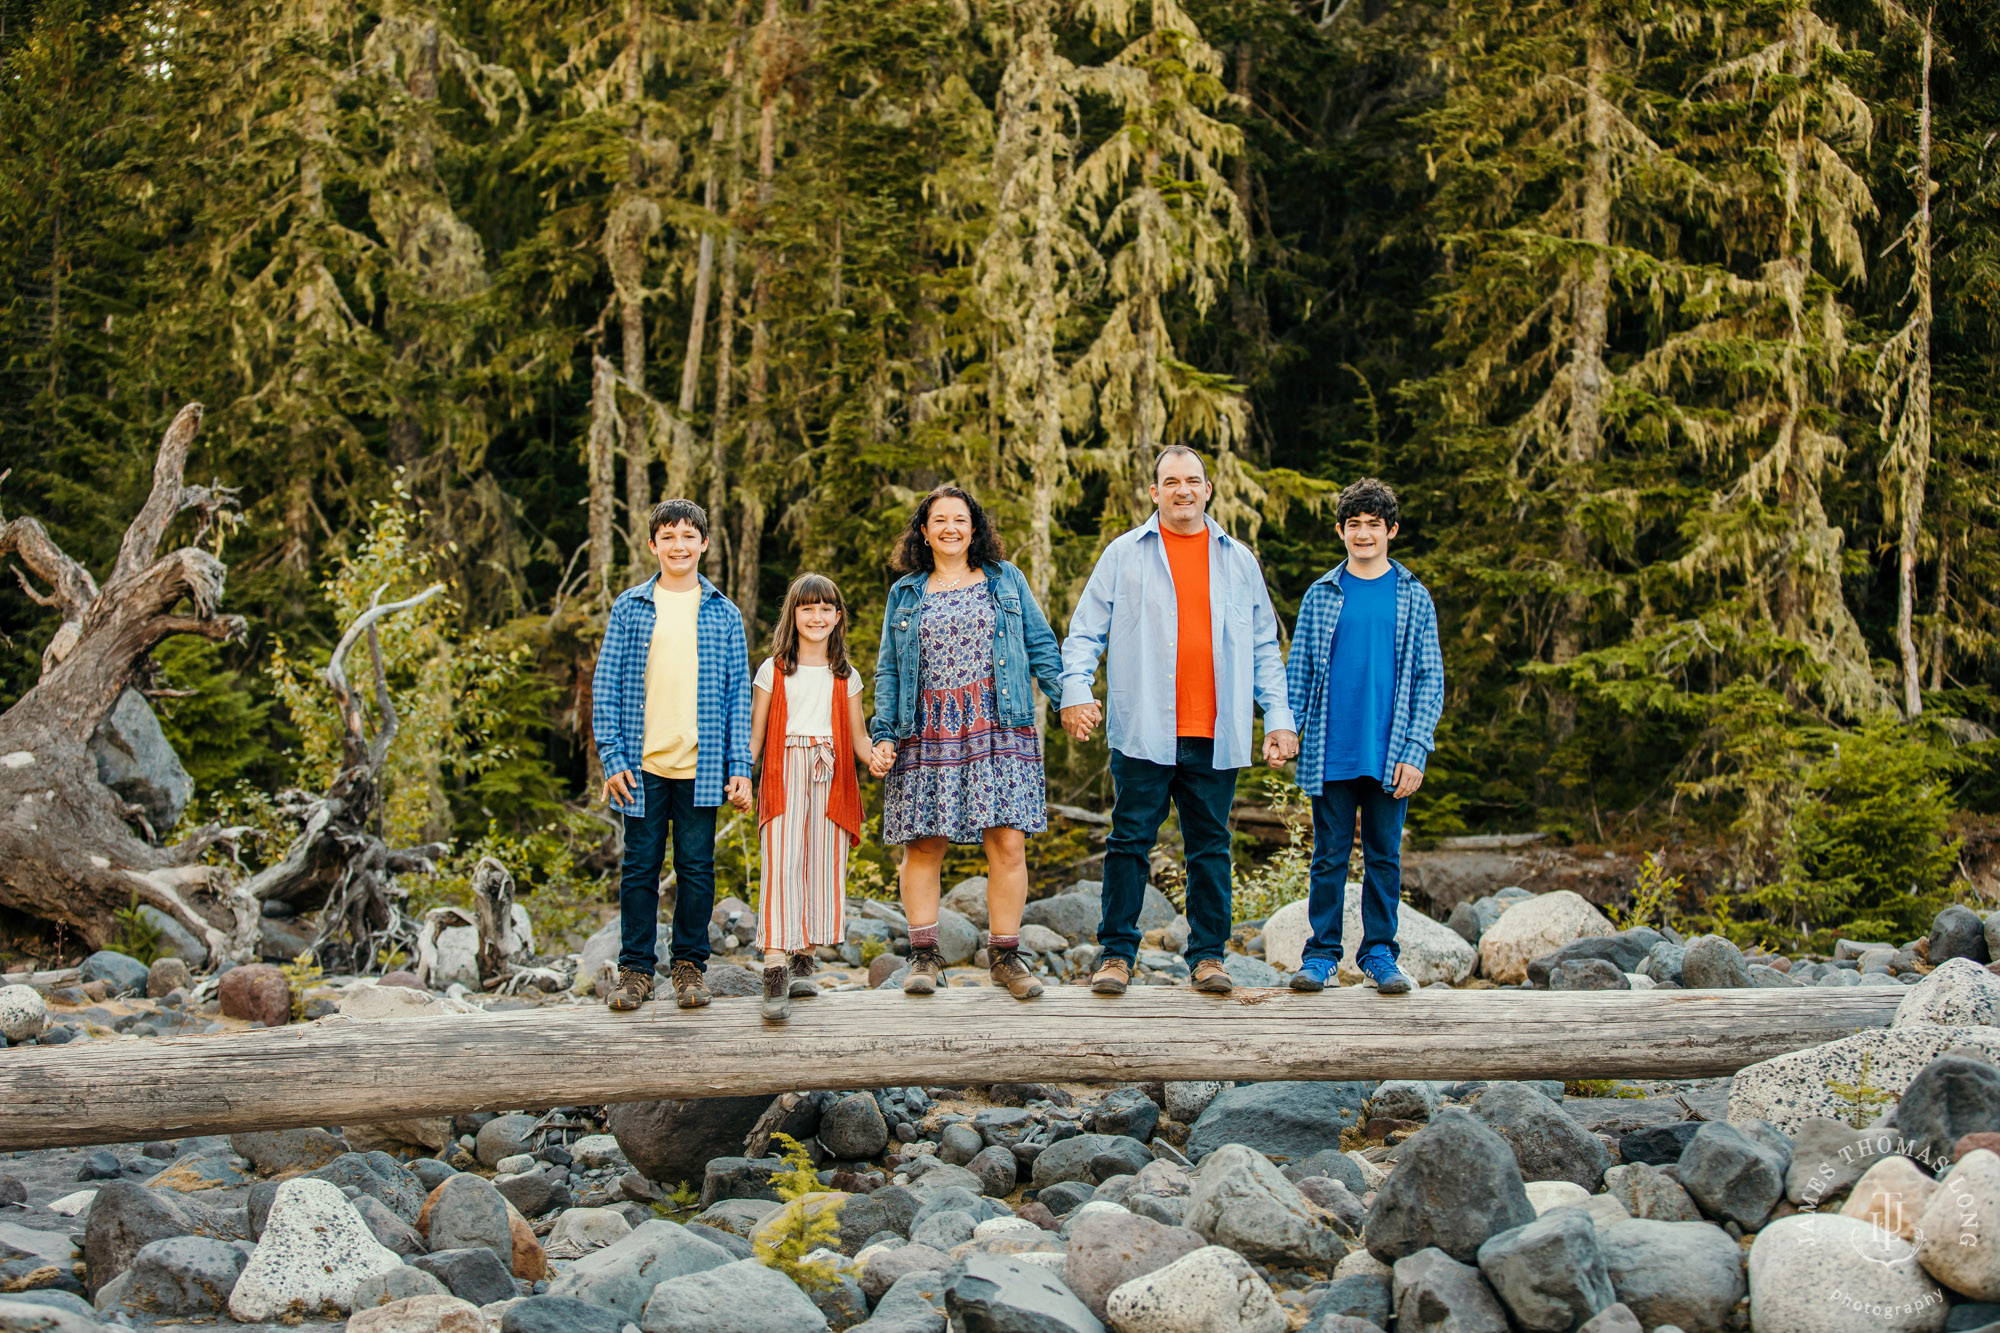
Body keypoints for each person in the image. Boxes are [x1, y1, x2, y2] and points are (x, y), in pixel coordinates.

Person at [1060, 446, 1298, 996]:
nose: (1183, 490)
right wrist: (1076, 692)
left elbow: (1265, 646)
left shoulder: (1238, 560)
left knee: (1210, 846)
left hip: (1215, 731)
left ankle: (1209, 958)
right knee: (1128, 842)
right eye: (1171, 482)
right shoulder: (1123, 555)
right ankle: (1117, 956)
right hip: (1144, 727)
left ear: (1208, 489)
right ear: (1154, 492)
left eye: (1193, 481)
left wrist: (1279, 719)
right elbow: (1084, 634)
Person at [869, 485, 1065, 1000]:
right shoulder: (906, 593)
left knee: (1006, 840)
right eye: (940, 521)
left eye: (961, 519)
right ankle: (924, 956)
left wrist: (1067, 699)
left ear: (974, 529)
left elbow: (1040, 643)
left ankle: (1004, 956)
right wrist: (884, 733)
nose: (951, 528)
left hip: (998, 723)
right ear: (924, 532)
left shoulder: (1006, 579)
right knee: (924, 842)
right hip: (926, 727)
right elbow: (888, 667)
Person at [1283, 478, 1443, 996]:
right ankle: (1322, 955)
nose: (1364, 534)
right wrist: (1285, 731)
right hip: (1330, 749)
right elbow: (1299, 673)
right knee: (1328, 856)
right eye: (1355, 525)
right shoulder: (1321, 593)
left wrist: (1416, 750)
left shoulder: (1413, 597)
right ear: (1340, 531)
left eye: (1375, 525)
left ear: (1391, 530)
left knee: (1383, 856)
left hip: (1391, 750)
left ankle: (1379, 954)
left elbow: (1429, 680)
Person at [593, 498, 753, 1012]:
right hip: (640, 766)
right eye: (668, 537)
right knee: (639, 867)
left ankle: (688, 965)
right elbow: (607, 685)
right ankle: (636, 970)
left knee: (696, 868)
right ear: (653, 545)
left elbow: (736, 697)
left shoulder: (723, 613)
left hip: (702, 767)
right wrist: (612, 756)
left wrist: (739, 768)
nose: (679, 545)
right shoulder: (631, 607)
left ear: (704, 544)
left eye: (689, 536)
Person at [750, 573, 869, 1022]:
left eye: (825, 609)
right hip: (784, 770)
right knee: (782, 863)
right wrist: (742, 775)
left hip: (831, 772)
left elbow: (858, 737)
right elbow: (756, 736)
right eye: (807, 608)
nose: (816, 616)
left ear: (837, 617)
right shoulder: (775, 668)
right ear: (793, 614)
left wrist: (876, 754)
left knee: (821, 865)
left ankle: (805, 959)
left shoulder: (847, 676)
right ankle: (775, 968)